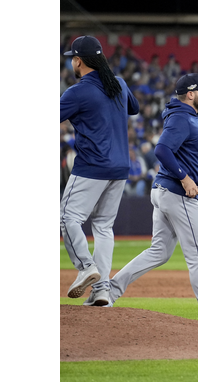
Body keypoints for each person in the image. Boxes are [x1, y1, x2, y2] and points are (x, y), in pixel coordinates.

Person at [108, 73, 198, 326]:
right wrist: (184, 177)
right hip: (177, 194)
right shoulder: (182, 117)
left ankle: (109, 291)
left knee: (158, 252)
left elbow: (179, 149)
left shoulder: (184, 115)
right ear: (191, 94)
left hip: (163, 191)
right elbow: (162, 149)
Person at [60, 35, 140, 305]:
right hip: (119, 167)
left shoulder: (77, 92)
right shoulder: (118, 83)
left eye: (72, 58)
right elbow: (134, 108)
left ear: (78, 61)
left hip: (92, 166)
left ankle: (85, 267)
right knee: (104, 227)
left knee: (67, 218)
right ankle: (102, 291)